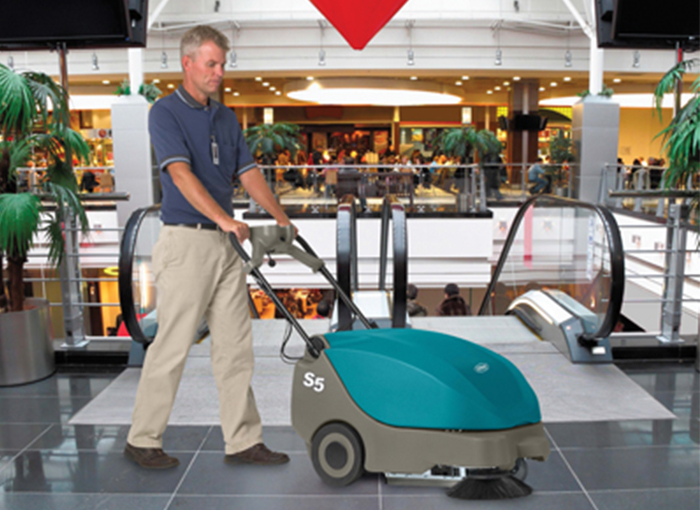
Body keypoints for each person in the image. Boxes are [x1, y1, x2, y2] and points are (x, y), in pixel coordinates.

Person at [125, 25, 291, 470]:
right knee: (172, 345)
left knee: (236, 347)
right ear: (188, 63)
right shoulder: (165, 112)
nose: (219, 72)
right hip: (187, 244)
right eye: (212, 63)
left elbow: (248, 173)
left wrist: (280, 217)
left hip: (226, 245)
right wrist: (224, 219)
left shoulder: (225, 117)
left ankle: (243, 441)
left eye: (223, 64)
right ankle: (142, 439)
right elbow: (179, 174)